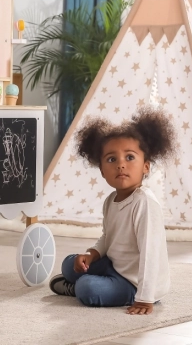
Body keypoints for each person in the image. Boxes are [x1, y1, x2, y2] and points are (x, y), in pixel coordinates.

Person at [49, 106, 177, 315]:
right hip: (115, 267)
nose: (120, 165)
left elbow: (150, 254)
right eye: (111, 159)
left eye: (129, 157)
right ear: (101, 170)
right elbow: (108, 237)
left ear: (146, 166)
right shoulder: (111, 201)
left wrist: (145, 298)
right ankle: (85, 278)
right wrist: (91, 255)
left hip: (135, 283)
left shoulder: (144, 203)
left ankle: (78, 288)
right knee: (69, 264)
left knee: (87, 288)